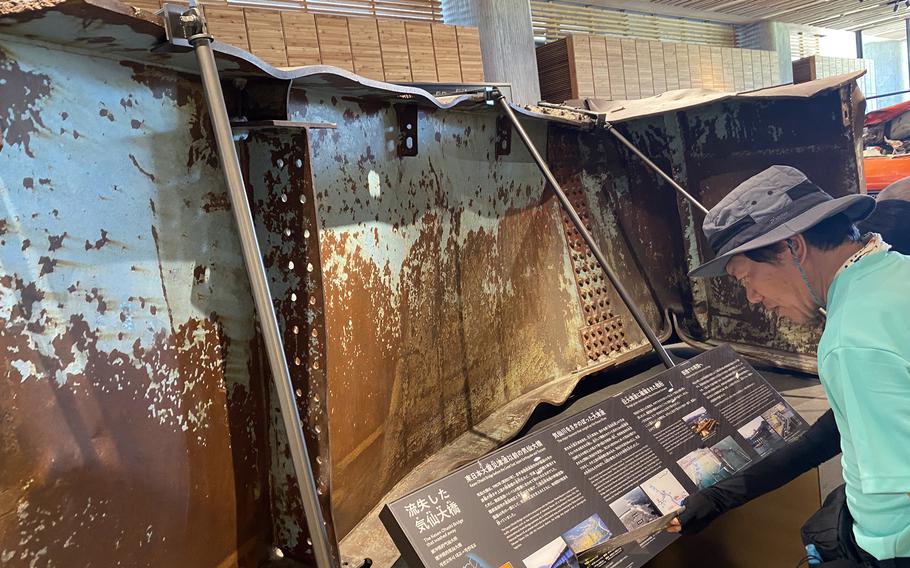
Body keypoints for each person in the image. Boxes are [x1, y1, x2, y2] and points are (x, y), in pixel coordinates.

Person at [668, 165, 910, 567]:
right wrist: (721, 496)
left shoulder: (851, 339)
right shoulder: (895, 273)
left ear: (792, 248)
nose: (751, 298)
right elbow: (839, 429)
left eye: (747, 277)